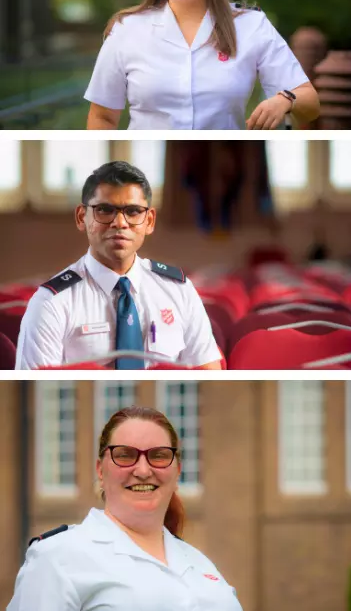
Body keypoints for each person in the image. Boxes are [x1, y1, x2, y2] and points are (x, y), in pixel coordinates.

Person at [84, 0, 319, 130]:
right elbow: (102, 117)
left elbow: (310, 103)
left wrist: (285, 100)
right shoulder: (127, 30)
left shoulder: (251, 25)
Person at [7, 406, 243, 610]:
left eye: (158, 456)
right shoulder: (56, 557)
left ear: (177, 471)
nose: (143, 470)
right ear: (101, 470)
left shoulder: (201, 565)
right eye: (125, 455)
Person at [15, 161, 221, 369]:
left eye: (133, 211)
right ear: (81, 217)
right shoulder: (51, 302)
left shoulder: (178, 290)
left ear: (149, 221)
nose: (120, 223)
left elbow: (209, 372)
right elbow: (35, 378)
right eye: (105, 210)